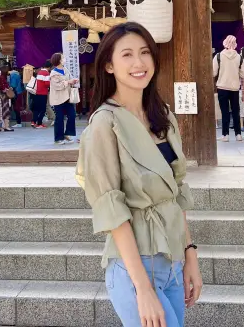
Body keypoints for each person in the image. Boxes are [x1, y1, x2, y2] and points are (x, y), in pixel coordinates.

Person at [76, 22, 202, 327]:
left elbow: (176, 192)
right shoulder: (104, 124)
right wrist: (143, 289)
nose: (138, 63)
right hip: (135, 268)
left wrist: (190, 256)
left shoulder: (163, 115)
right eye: (127, 54)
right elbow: (111, 209)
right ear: (108, 65)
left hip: (173, 261)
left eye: (145, 53)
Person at [213, 35, 244, 142]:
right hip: (235, 88)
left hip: (222, 87)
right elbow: (243, 74)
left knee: (224, 111)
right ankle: (238, 134)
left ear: (225, 43)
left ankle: (225, 135)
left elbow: (213, 72)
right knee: (236, 111)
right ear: (235, 44)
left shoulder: (218, 56)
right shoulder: (240, 58)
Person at [49, 52, 78, 145]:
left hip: (68, 97)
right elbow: (57, 86)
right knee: (59, 118)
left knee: (72, 115)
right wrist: (69, 82)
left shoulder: (65, 69)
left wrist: (73, 81)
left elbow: (69, 80)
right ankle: (58, 138)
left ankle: (67, 134)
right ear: (59, 60)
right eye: (62, 58)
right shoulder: (53, 73)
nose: (64, 59)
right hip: (58, 99)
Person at [31, 61, 51, 128]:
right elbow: (47, 84)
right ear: (49, 67)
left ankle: (33, 121)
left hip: (37, 93)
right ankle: (39, 123)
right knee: (43, 109)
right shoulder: (46, 73)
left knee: (36, 108)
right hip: (43, 93)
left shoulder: (39, 72)